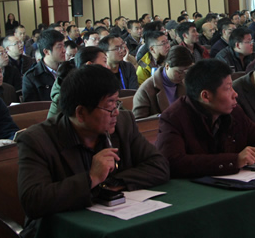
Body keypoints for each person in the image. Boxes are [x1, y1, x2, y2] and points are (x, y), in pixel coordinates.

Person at [17, 65, 169, 232]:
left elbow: (159, 165)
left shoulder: (123, 124)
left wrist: (107, 185)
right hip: (58, 231)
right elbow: (33, 201)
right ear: (81, 113)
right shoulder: (37, 140)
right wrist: (92, 178)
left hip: (115, 222)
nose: (116, 112)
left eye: (117, 103)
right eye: (109, 106)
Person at [156, 59, 255, 178]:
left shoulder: (234, 112)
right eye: (228, 88)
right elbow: (172, 162)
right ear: (206, 96)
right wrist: (234, 161)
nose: (235, 94)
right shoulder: (173, 118)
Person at [47, 46, 109, 118]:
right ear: (89, 65)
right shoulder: (64, 96)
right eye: (105, 61)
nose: (108, 67)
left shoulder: (99, 86)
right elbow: (52, 123)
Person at [133, 46, 193, 119]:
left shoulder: (185, 83)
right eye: (179, 72)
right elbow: (139, 121)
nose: (183, 75)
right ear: (167, 66)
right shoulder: (146, 90)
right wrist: (161, 117)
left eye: (186, 71)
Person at [23, 29, 67, 102]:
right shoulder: (31, 77)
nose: (64, 50)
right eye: (59, 47)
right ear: (46, 51)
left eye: (63, 46)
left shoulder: (69, 69)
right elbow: (31, 107)